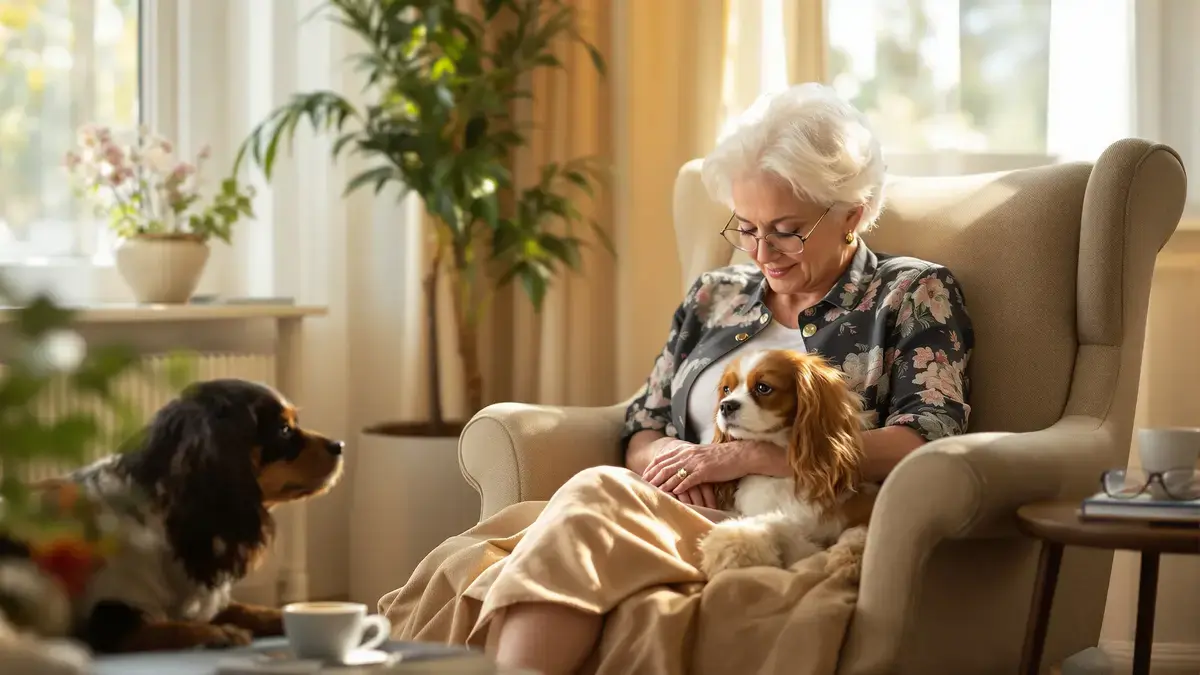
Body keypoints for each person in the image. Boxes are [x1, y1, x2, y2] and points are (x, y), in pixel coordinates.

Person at [379, 82, 974, 675]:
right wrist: (666, 456)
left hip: (778, 528)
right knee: (481, 554)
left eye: (786, 229)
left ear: (852, 212)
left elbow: (926, 440)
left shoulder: (910, 293)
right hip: (674, 509)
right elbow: (644, 421)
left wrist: (742, 459)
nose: (761, 250)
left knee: (591, 496)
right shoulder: (717, 294)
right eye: (745, 227)